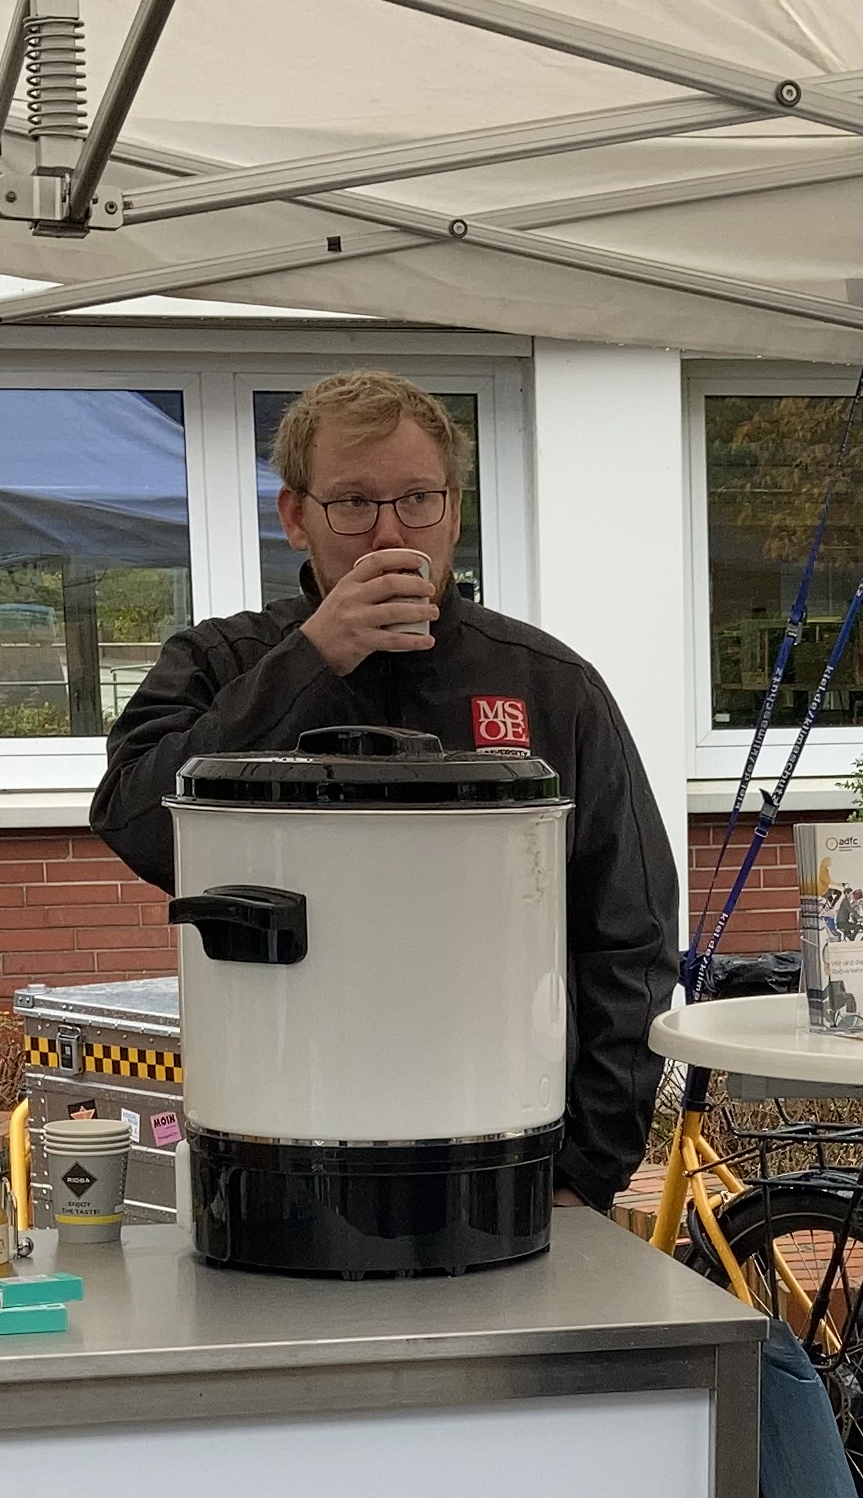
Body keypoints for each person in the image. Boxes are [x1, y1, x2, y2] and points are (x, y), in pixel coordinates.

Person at [92, 372, 680, 1209]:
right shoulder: (223, 663)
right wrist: (310, 661)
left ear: (455, 509)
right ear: (297, 517)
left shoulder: (548, 686)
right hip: (284, 1151)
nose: (389, 530)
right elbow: (139, 824)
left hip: (507, 1160)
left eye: (416, 499)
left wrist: (586, 1167)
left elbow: (630, 933)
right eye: (353, 503)